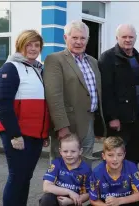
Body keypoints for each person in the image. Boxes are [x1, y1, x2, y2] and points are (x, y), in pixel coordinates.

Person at [0, 29, 50, 206]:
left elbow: (43, 104)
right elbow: (3, 104)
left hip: (35, 134)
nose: (33, 49)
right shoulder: (11, 67)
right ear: (20, 45)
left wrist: (44, 132)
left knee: (26, 177)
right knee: (17, 177)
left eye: (37, 45)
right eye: (29, 45)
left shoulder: (37, 69)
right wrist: (14, 135)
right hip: (18, 134)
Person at [44, 20, 105, 166]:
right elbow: (54, 96)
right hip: (67, 125)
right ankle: (57, 190)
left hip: (89, 122)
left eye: (82, 38)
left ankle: (82, 190)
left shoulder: (93, 62)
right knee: (62, 167)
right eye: (75, 38)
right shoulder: (55, 60)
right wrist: (61, 126)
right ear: (66, 38)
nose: (79, 42)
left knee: (85, 165)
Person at [98, 24, 139, 165]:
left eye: (131, 37)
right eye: (124, 37)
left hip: (137, 117)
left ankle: (131, 185)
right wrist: (112, 117)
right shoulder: (107, 58)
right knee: (115, 157)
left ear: (135, 38)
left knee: (133, 157)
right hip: (119, 121)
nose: (128, 40)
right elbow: (106, 90)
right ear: (117, 37)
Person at [89, 136, 139, 206]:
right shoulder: (97, 172)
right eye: (110, 155)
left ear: (124, 155)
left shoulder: (131, 167)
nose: (115, 159)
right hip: (106, 203)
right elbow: (93, 200)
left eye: (119, 155)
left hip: (127, 201)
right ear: (103, 156)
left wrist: (119, 201)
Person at [39, 134, 92, 206]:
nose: (69, 154)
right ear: (60, 151)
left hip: (73, 201)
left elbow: (87, 194)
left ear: (80, 151)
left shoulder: (86, 169)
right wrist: (69, 192)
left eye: (73, 151)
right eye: (65, 151)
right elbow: (46, 187)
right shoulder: (56, 164)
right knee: (47, 198)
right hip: (57, 198)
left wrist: (70, 201)